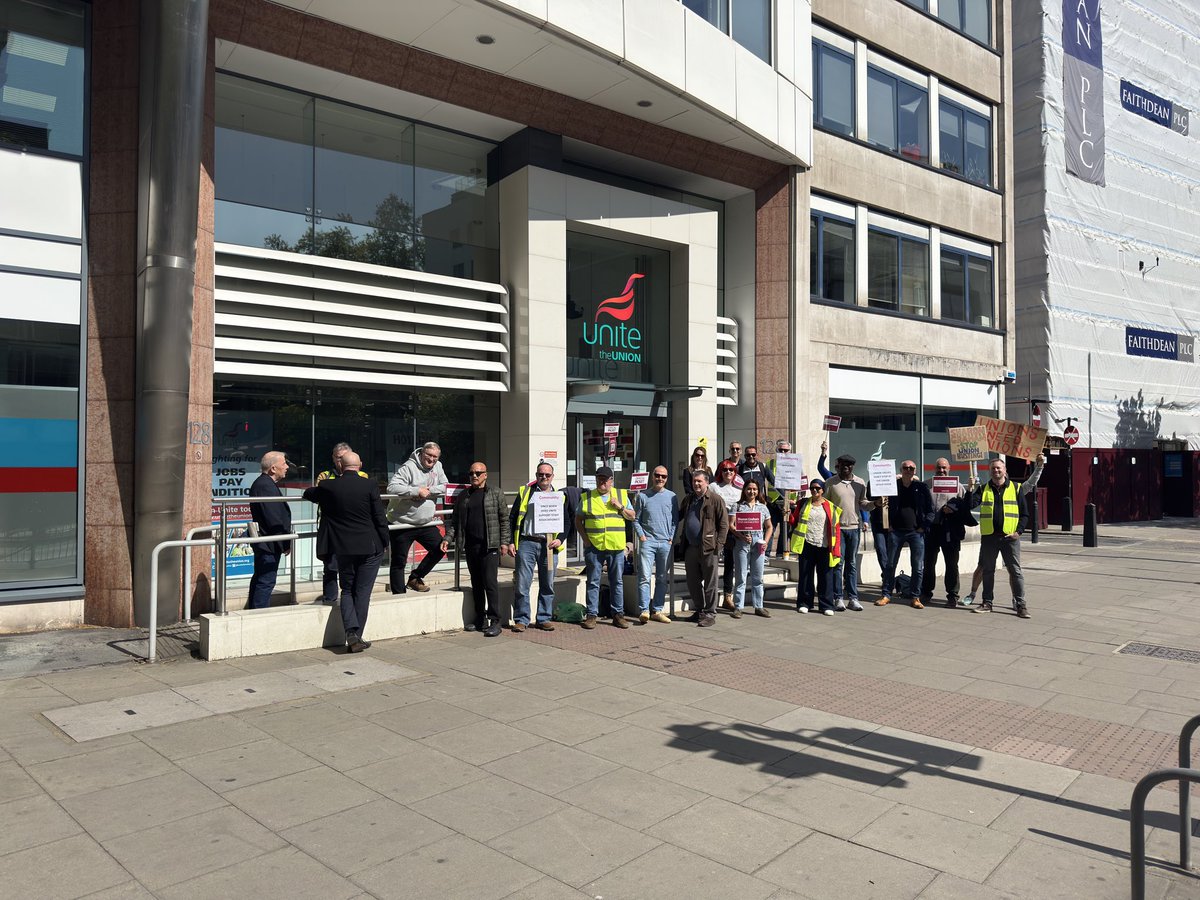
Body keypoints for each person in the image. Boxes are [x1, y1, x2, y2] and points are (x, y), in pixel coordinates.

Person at [303, 452, 389, 652]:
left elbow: (309, 493)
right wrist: (385, 540)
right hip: (370, 546)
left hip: (343, 547)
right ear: (360, 465)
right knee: (363, 591)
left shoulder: (328, 486)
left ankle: (351, 632)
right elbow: (379, 516)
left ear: (340, 466)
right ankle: (357, 636)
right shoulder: (369, 485)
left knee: (348, 589)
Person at [962, 454, 1044, 607]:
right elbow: (969, 505)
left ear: (1005, 470)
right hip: (989, 538)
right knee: (987, 570)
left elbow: (1025, 514)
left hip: (1010, 538)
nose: (996, 471)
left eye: (999, 468)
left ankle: (1020, 603)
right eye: (993, 468)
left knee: (1015, 571)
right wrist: (969, 490)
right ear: (990, 471)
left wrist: (1018, 532)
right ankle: (986, 601)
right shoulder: (983, 489)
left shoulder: (1015, 488)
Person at [442, 461, 511, 637]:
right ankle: (480, 618)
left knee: (490, 583)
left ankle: (495, 620)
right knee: (476, 583)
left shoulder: (495, 493)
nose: (474, 476)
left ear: (485, 475)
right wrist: (448, 539)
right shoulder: (464, 495)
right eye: (471, 473)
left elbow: (504, 519)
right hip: (471, 545)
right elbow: (455, 522)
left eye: (478, 473)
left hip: (490, 546)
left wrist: (504, 541)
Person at [506, 462, 566, 633]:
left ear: (552, 476)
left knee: (547, 584)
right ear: (536, 475)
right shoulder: (526, 492)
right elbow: (513, 517)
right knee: (522, 584)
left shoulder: (559, 496)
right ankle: (521, 619)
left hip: (549, 545)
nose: (544, 478)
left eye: (547, 475)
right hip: (527, 543)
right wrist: (511, 541)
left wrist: (560, 540)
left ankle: (544, 618)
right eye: (541, 474)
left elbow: (567, 522)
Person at [576, 466, 635, 629]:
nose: (602, 482)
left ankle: (618, 615)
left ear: (611, 481)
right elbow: (578, 520)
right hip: (594, 546)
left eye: (605, 479)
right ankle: (591, 615)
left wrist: (620, 507)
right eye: (599, 479)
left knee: (617, 581)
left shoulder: (621, 495)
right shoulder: (587, 497)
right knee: (593, 582)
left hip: (616, 546)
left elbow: (633, 516)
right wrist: (585, 540)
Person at [386, 441, 447, 594]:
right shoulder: (408, 467)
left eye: (435, 457)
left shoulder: (437, 466)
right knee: (399, 561)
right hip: (402, 524)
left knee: (440, 548)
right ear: (421, 454)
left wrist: (429, 490)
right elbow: (392, 487)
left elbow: (446, 486)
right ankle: (398, 595)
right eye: (429, 455)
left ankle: (415, 578)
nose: (432, 459)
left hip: (425, 523)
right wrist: (415, 491)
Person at [816, 442, 868, 612]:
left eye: (849, 465)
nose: (846, 468)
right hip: (837, 529)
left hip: (854, 528)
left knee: (852, 564)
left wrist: (875, 504)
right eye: (843, 465)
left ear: (853, 466)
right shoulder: (830, 482)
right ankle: (838, 597)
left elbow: (863, 503)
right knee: (838, 564)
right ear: (838, 466)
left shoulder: (860, 483)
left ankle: (853, 598)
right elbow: (825, 504)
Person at [315, 443, 368, 605]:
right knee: (330, 567)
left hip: (352, 531)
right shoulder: (324, 476)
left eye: (345, 458)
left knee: (352, 568)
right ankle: (330, 600)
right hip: (330, 530)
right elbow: (320, 496)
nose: (341, 461)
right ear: (333, 459)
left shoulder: (362, 475)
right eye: (338, 458)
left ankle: (352, 598)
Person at [675, 470, 729, 627]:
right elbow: (679, 516)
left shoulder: (715, 499)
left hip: (709, 548)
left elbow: (724, 524)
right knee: (692, 581)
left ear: (706, 482)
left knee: (710, 583)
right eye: (694, 481)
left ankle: (710, 613)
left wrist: (719, 545)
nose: (696, 484)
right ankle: (699, 611)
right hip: (691, 547)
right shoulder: (689, 499)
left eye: (699, 481)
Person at [877, 460, 933, 608]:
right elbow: (884, 506)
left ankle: (915, 597)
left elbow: (930, 510)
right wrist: (888, 525)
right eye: (905, 468)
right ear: (901, 470)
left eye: (911, 468)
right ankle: (886, 594)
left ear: (915, 471)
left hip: (916, 532)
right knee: (890, 565)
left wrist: (923, 527)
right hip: (896, 532)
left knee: (917, 567)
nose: (908, 470)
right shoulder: (892, 486)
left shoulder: (921, 487)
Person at [788, 479, 842, 615]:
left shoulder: (831, 507)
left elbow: (836, 528)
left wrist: (836, 549)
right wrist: (787, 514)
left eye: (817, 488)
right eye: (812, 488)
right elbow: (794, 521)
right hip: (807, 543)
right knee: (805, 575)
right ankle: (805, 603)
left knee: (826, 576)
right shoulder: (803, 503)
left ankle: (826, 605)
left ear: (823, 490)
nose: (814, 491)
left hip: (824, 545)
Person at [633, 465, 678, 624]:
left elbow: (674, 520)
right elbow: (636, 519)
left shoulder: (672, 497)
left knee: (661, 578)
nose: (660, 478)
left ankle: (657, 610)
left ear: (667, 478)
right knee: (644, 577)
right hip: (648, 542)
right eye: (657, 475)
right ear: (652, 476)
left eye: (663, 476)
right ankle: (644, 610)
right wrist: (642, 537)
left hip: (665, 543)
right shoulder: (642, 496)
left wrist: (671, 538)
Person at [248, 451, 292, 610]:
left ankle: (254, 612)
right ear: (273, 468)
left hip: (268, 541)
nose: (287, 467)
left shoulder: (265, 484)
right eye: (284, 464)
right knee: (266, 581)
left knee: (261, 578)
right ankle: (258, 614)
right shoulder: (265, 486)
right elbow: (274, 518)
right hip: (269, 543)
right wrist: (285, 542)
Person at [921, 457, 966, 608]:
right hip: (931, 530)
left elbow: (965, 507)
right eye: (939, 468)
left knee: (952, 564)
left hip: (950, 530)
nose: (941, 471)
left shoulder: (958, 487)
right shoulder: (926, 485)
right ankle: (926, 593)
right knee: (928, 563)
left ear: (949, 468)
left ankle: (952, 596)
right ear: (935, 469)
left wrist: (953, 509)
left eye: (944, 468)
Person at [730, 480, 773, 618]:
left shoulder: (763, 507)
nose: (752, 491)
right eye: (749, 489)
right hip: (742, 543)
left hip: (758, 542)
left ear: (758, 491)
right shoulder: (737, 506)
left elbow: (769, 527)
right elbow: (731, 525)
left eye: (754, 489)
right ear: (744, 490)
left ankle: (758, 606)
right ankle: (738, 607)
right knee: (741, 576)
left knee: (758, 576)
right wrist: (740, 536)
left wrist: (765, 542)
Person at [712, 461, 741, 609]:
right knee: (712, 563)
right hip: (716, 528)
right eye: (725, 470)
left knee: (730, 564)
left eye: (731, 470)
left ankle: (727, 596)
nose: (728, 472)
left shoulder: (739, 489)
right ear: (720, 472)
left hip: (732, 530)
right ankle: (710, 596)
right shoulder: (714, 487)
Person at [765, 439, 795, 557]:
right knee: (770, 528)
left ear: (790, 451)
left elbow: (801, 484)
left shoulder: (795, 464)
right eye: (780, 450)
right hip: (773, 501)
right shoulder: (769, 464)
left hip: (788, 502)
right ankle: (766, 554)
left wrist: (795, 500)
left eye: (785, 450)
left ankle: (780, 553)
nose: (783, 452)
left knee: (785, 529)